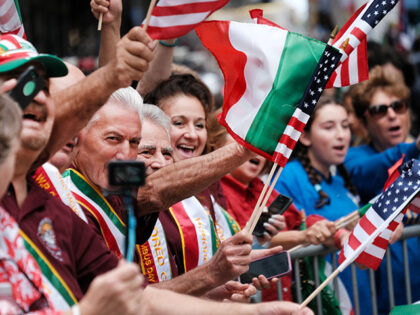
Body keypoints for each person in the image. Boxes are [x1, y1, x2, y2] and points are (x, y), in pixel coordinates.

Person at [274, 95, 369, 315]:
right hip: (318, 299)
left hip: (356, 291)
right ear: (305, 136)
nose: (341, 135)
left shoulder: (340, 178)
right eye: (329, 127)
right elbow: (272, 238)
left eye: (345, 126)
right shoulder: (288, 177)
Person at [345, 66, 420, 314]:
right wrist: (414, 147)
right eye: (379, 110)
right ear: (365, 121)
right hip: (384, 291)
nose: (392, 115)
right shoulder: (354, 158)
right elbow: (368, 174)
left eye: (398, 106)